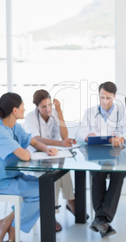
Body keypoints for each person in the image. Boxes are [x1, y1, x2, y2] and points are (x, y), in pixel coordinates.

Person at [76, 81, 126, 238]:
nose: (104, 101)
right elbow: (79, 133)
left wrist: (121, 139)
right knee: (97, 174)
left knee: (118, 173)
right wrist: (87, 136)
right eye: (102, 97)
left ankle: (101, 218)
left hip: (118, 154)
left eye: (108, 98)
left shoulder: (122, 112)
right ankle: (103, 220)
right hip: (97, 155)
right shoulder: (90, 112)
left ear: (114, 96)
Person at [0, 92, 58, 241]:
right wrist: (26, 151)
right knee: (42, 192)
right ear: (15, 110)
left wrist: (47, 149)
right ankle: (12, 229)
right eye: (22, 106)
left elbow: (33, 142)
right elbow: (24, 155)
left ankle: (6, 222)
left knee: (46, 187)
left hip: (10, 176)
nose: (25, 110)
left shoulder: (12, 126)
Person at [24, 89, 85, 232]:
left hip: (55, 154)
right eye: (43, 107)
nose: (47, 109)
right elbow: (36, 139)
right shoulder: (30, 117)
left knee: (63, 170)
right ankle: (57, 210)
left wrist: (60, 111)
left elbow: (64, 136)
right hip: (38, 155)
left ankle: (66, 203)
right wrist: (59, 144)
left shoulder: (54, 113)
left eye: (50, 105)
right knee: (54, 173)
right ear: (37, 107)